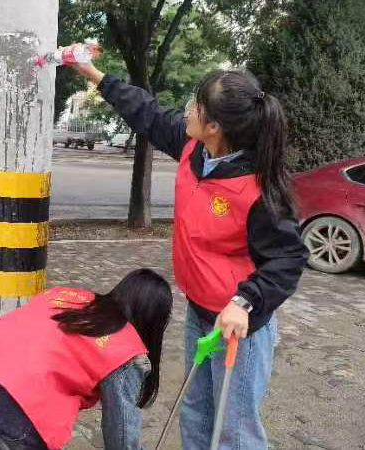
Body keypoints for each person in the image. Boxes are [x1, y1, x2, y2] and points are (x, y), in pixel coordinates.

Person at [71, 63, 309, 450]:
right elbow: (145, 112)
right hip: (201, 313)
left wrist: (244, 302)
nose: (186, 109)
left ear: (214, 126)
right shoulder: (192, 148)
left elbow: (288, 259)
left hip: (238, 326)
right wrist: (96, 75)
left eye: (195, 105)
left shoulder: (258, 188)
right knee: (196, 410)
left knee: (234, 427)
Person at [0, 269, 173, 450]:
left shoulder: (68, 296)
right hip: (14, 408)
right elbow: (121, 436)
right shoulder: (125, 348)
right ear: (154, 322)